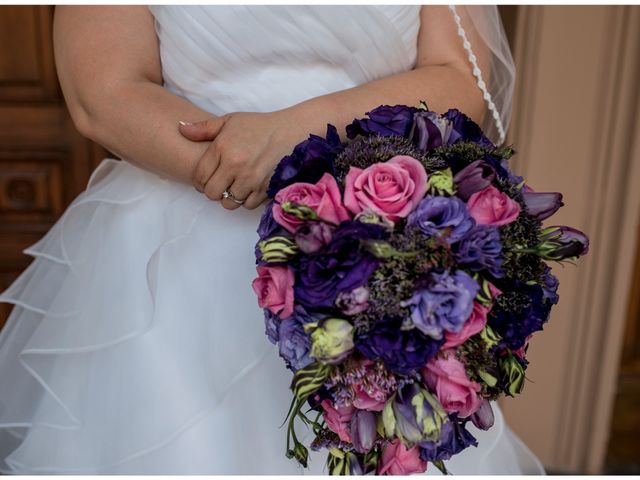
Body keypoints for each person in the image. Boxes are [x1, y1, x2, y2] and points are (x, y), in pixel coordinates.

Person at [0, 5, 541, 474]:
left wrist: (298, 139)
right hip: (175, 262)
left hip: (380, 241)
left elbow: (457, 77)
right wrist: (247, 171)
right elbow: (104, 92)